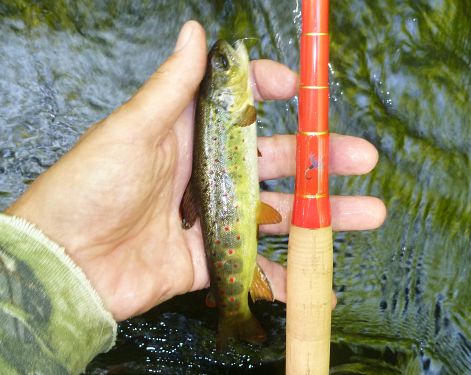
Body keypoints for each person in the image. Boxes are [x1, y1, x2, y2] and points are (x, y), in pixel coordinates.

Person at [0, 21, 386, 374]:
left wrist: (53, 257)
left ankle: (234, 311)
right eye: (221, 65)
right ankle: (234, 313)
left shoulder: (235, 110)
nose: (227, 56)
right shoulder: (235, 110)